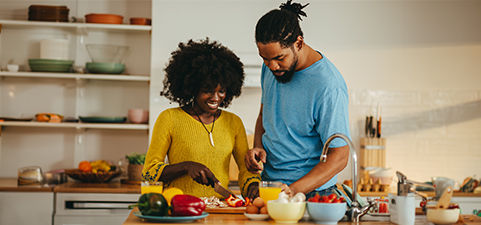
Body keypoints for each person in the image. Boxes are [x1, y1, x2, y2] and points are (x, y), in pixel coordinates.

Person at [245, 0, 351, 198]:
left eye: (279, 58)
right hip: (269, 187)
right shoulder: (270, 68)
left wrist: (293, 191)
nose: (272, 66)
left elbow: (340, 157)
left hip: (310, 194)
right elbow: (264, 114)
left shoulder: (328, 86)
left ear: (299, 43)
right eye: (264, 59)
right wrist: (258, 146)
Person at [142, 38, 260, 199]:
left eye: (221, 91)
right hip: (179, 209)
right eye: (208, 90)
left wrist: (253, 187)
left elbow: (246, 171)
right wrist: (186, 167)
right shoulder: (169, 118)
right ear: (192, 87)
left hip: (221, 209)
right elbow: (149, 172)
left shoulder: (234, 122)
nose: (215, 97)